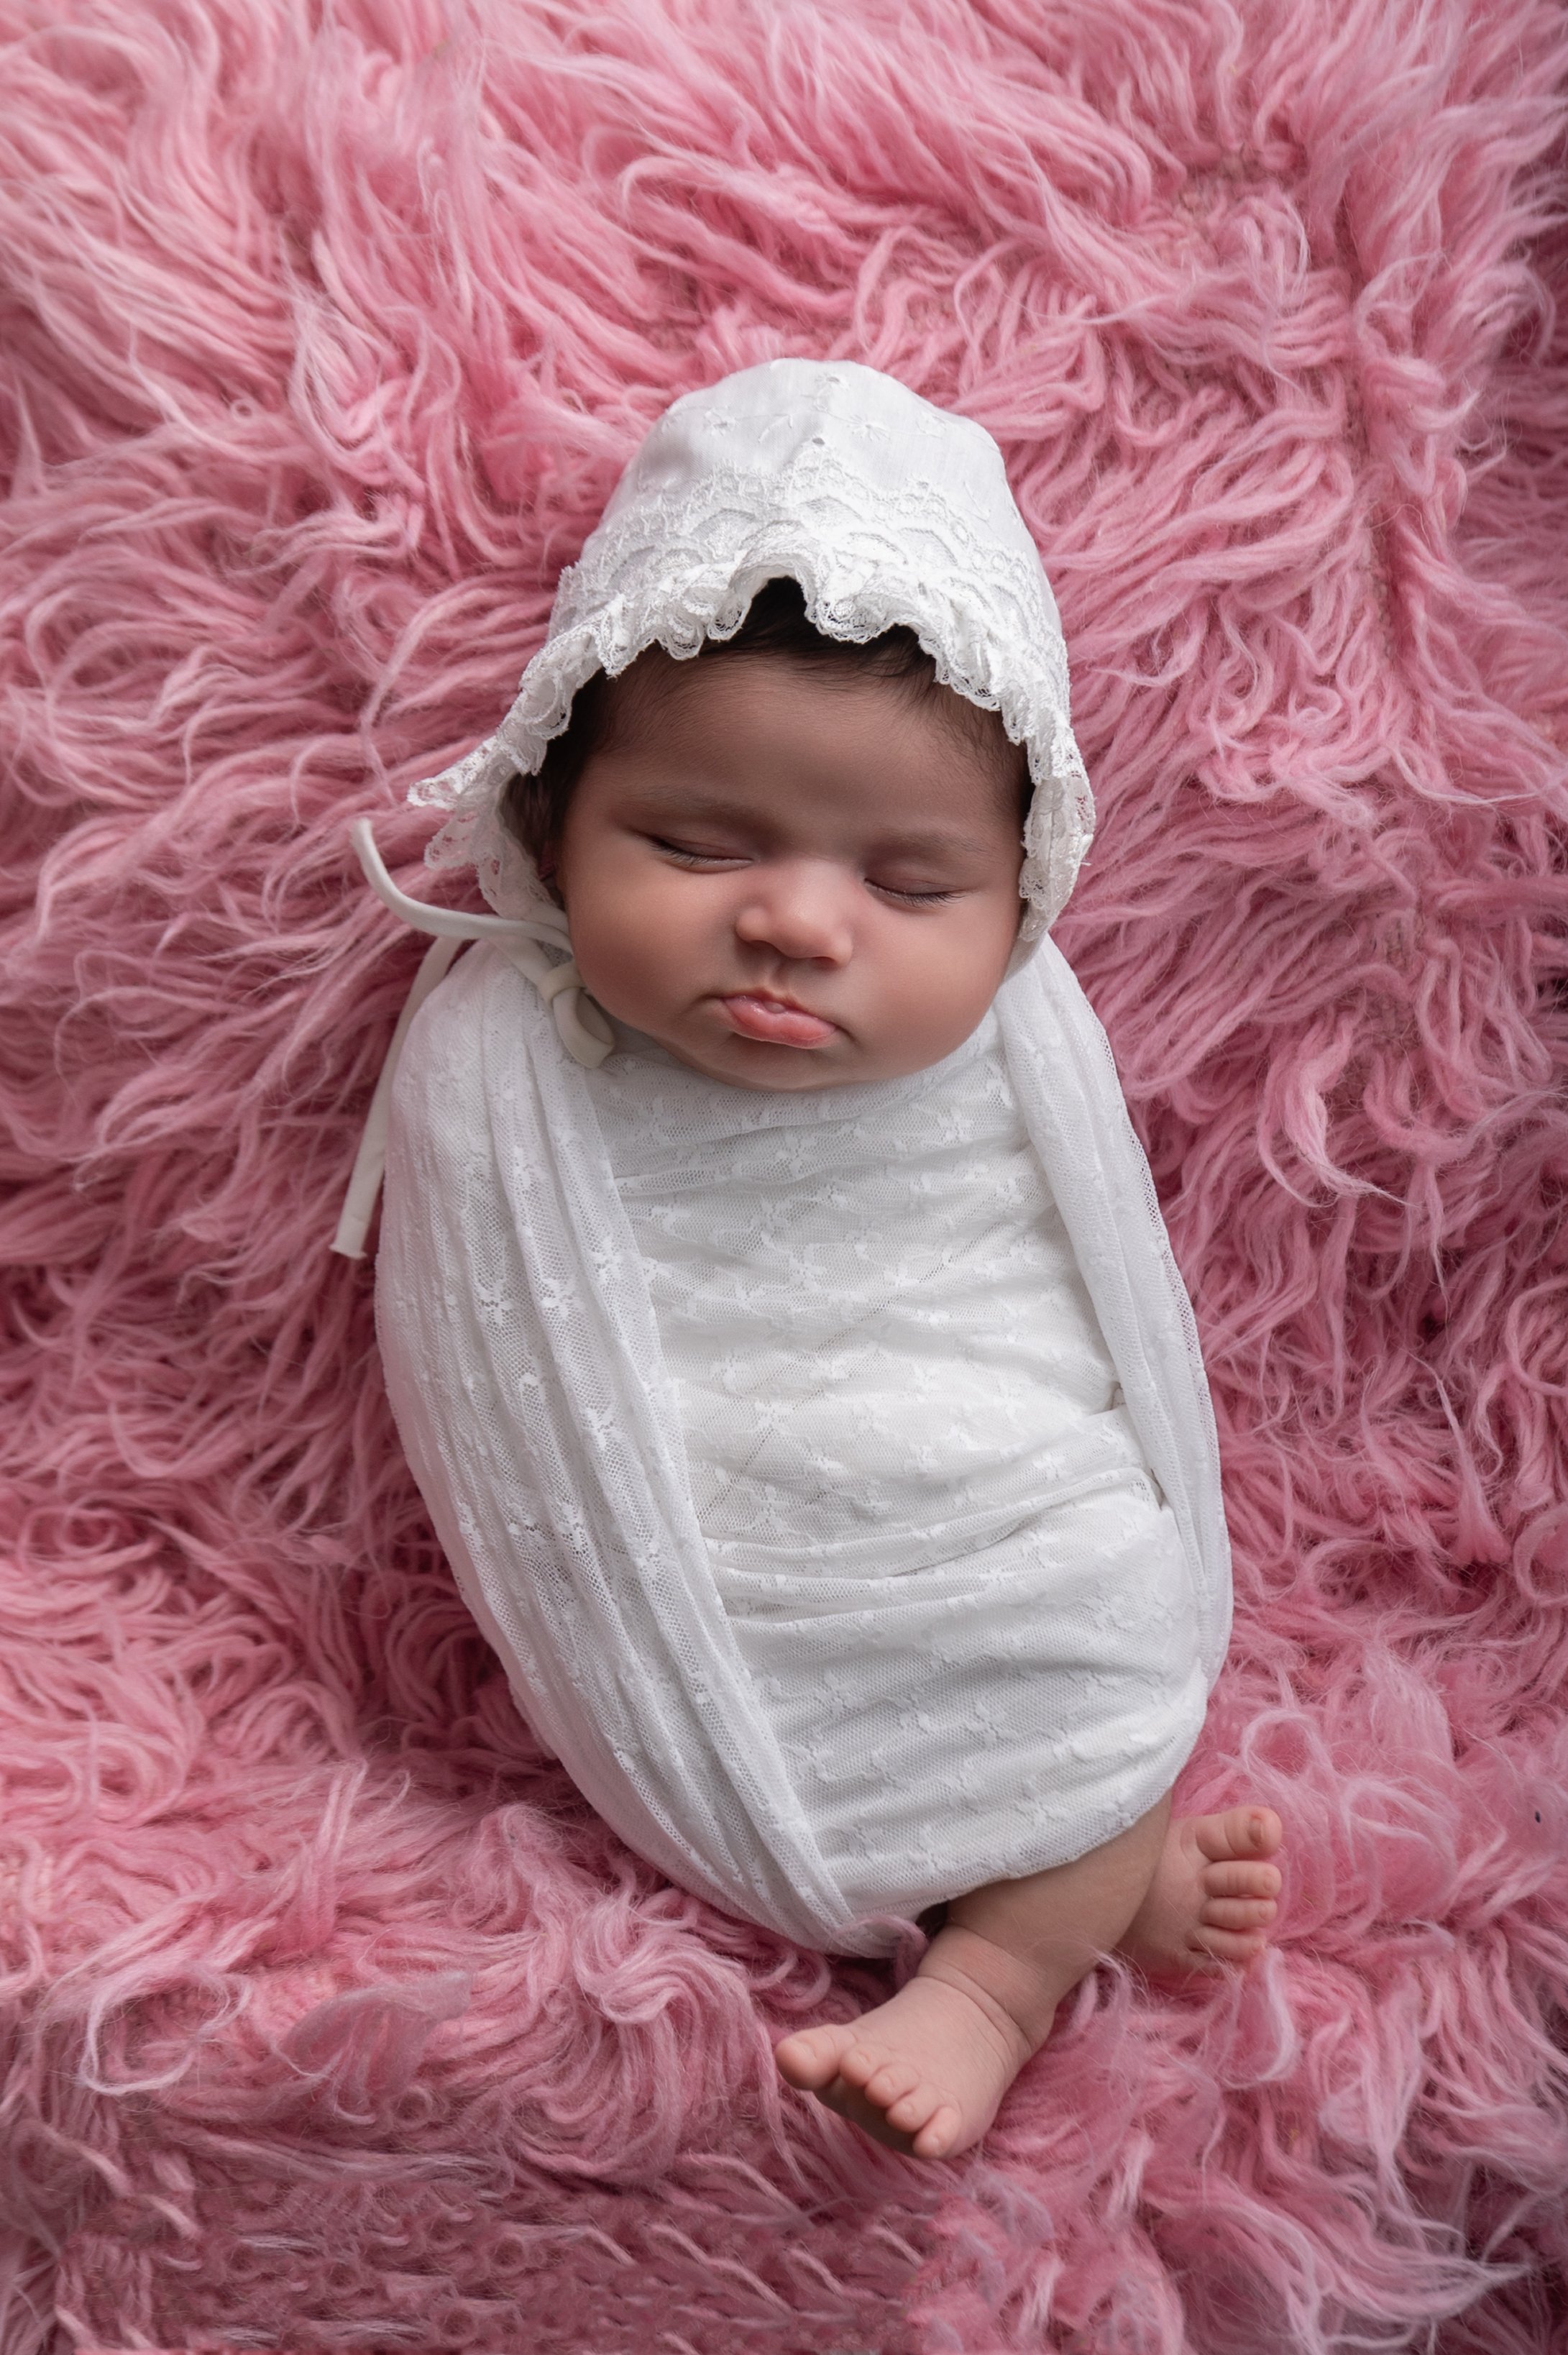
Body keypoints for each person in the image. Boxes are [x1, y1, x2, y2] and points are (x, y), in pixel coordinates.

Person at [338, 360, 1284, 2162]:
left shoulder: (1015, 1040)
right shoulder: (506, 1060)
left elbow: (1103, 1300)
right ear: (546, 818)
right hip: (738, 1577)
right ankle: (1073, 1895)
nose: (792, 920)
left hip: (996, 1503)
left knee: (1102, 1632)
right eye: (695, 845)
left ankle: (999, 1974)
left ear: (1020, 901)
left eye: (911, 888)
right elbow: (502, 1407)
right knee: (1040, 1763)